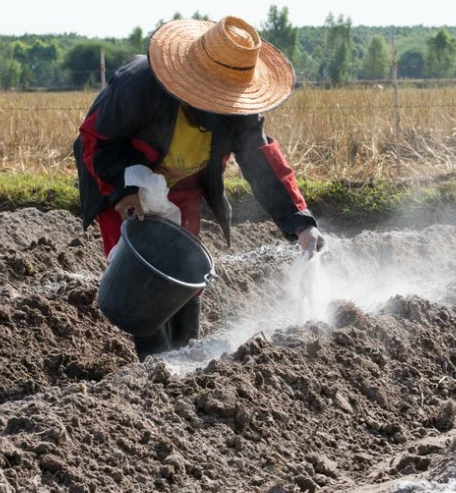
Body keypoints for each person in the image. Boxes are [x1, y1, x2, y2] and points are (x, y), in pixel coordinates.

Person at [73, 16, 325, 361]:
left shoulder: (239, 109)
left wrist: (300, 222)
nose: (221, 106)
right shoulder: (139, 86)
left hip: (183, 187)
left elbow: (261, 160)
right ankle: (154, 369)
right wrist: (123, 190)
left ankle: (186, 361)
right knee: (144, 277)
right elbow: (97, 140)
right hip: (125, 181)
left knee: (186, 274)